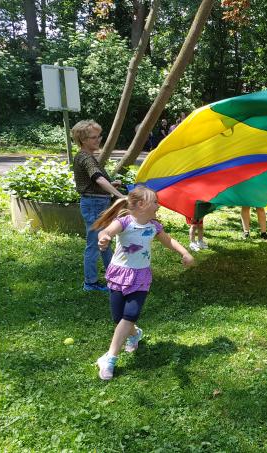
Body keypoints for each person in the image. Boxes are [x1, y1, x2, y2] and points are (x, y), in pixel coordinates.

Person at [91, 186, 195, 380]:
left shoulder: (154, 226)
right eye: (155, 202)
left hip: (141, 277)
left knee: (130, 315)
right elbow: (107, 232)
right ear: (141, 204)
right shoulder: (124, 222)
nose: (158, 206)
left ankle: (110, 358)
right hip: (119, 275)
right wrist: (104, 238)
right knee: (118, 319)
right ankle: (134, 334)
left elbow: (169, 241)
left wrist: (185, 252)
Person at [71, 120, 126, 292]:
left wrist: (112, 184)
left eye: (99, 136)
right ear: (83, 140)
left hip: (97, 202)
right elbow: (98, 178)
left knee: (104, 241)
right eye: (93, 137)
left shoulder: (86, 156)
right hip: (94, 205)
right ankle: (91, 283)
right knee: (94, 244)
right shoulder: (85, 157)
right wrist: (120, 196)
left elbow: (97, 181)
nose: (98, 140)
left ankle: (113, 277)